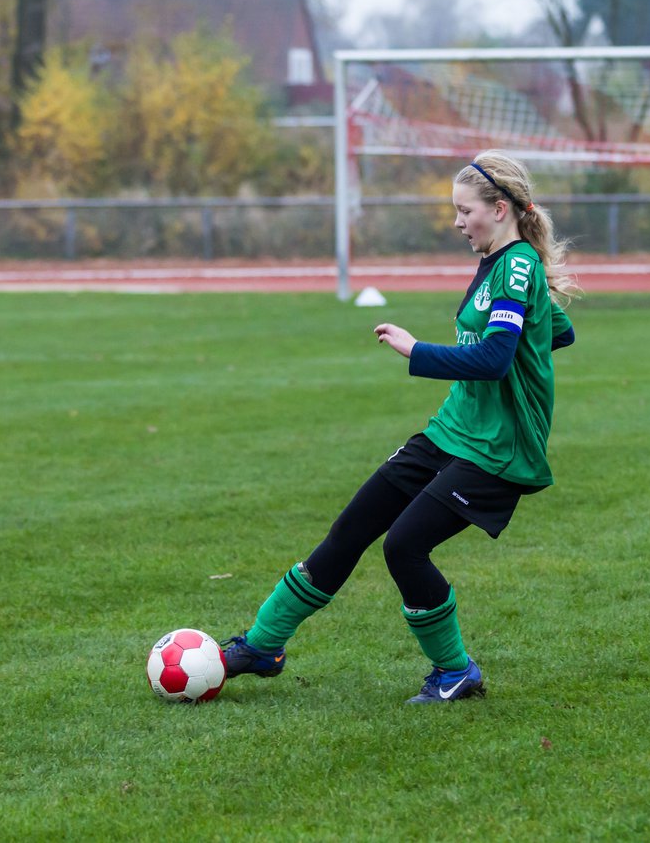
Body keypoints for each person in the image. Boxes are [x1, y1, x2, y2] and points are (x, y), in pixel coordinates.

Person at [222, 150, 577, 703]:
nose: (457, 222)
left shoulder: (518, 266)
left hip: (498, 451)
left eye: (465, 211)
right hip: (452, 431)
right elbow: (559, 331)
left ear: (500, 208)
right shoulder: (498, 262)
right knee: (354, 526)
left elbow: (494, 360)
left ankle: (455, 672)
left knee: (404, 546)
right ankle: (262, 646)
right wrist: (530, 345)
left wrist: (417, 351)